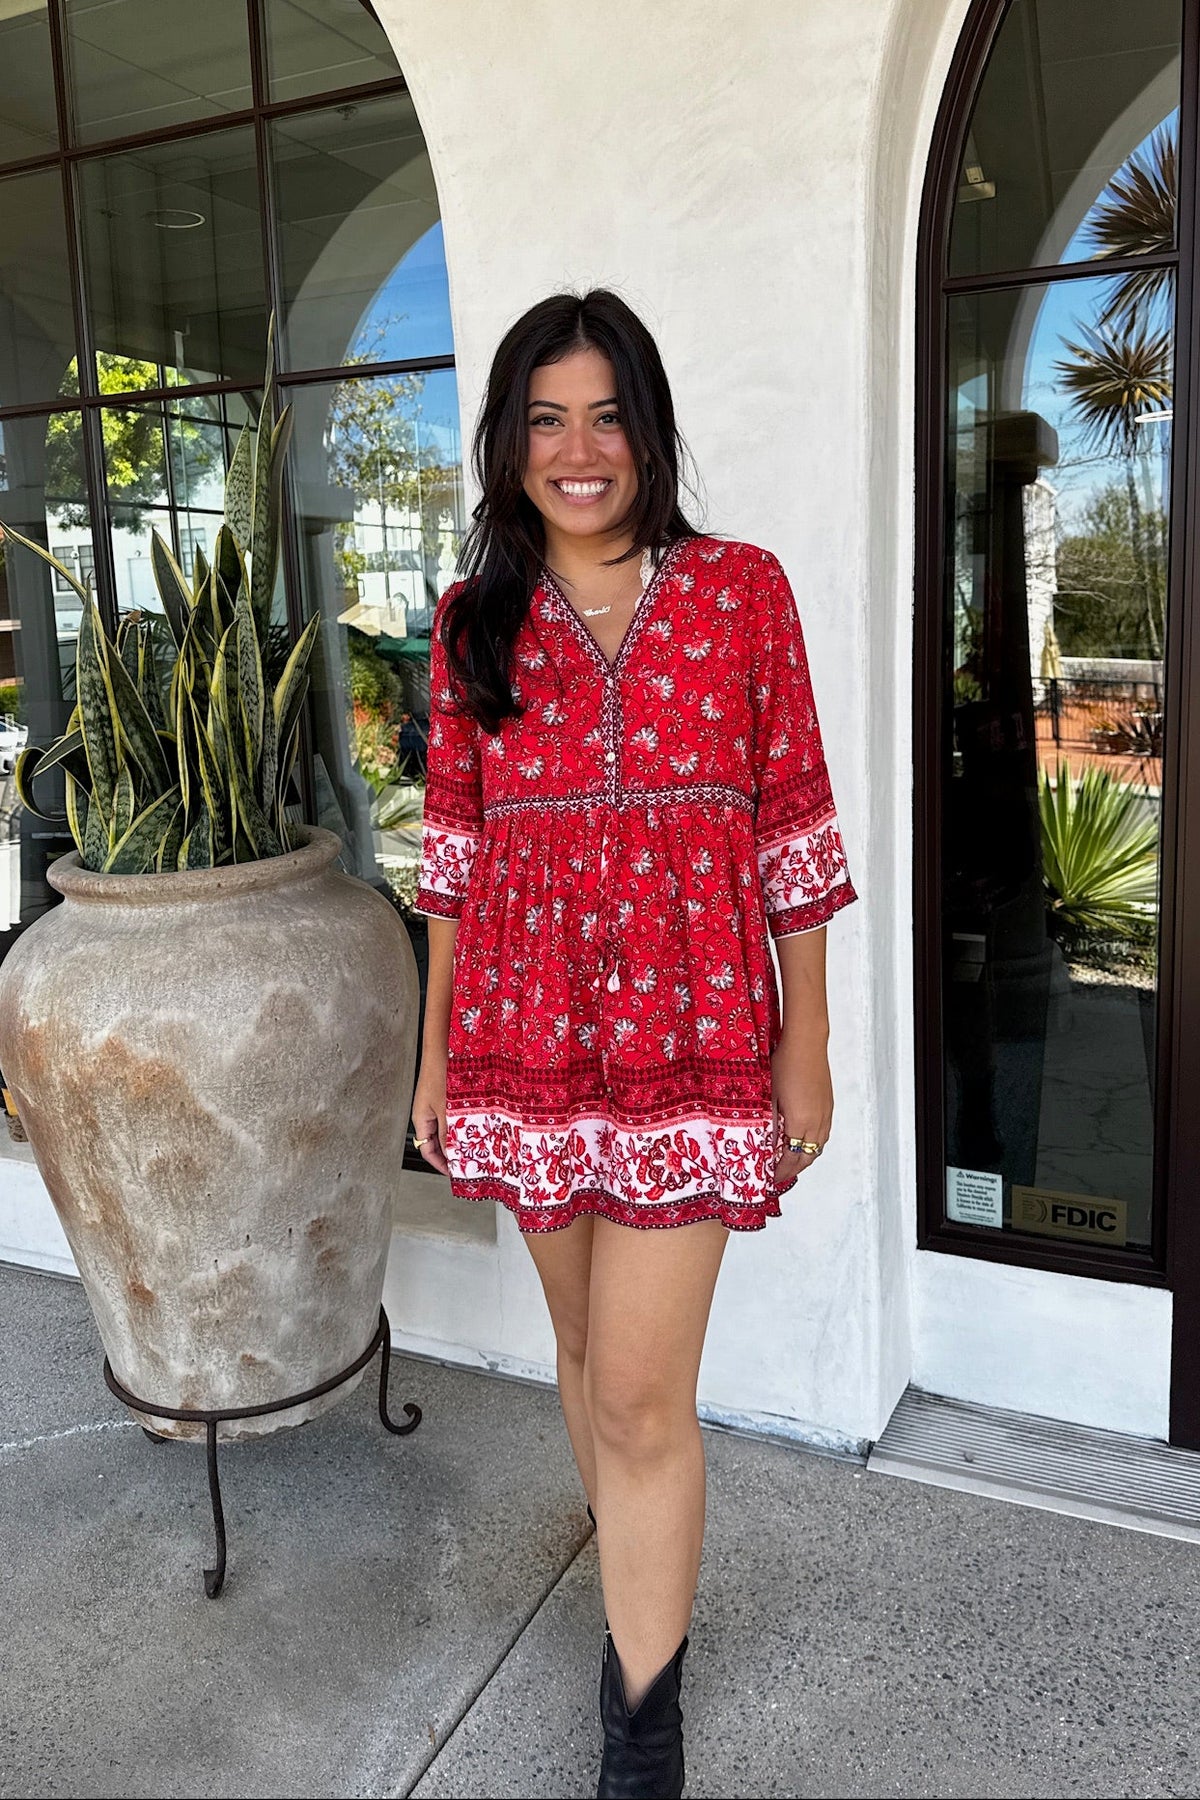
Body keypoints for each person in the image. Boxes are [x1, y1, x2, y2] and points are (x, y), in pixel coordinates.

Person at [410, 289, 858, 1800]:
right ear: (509, 443)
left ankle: (642, 1722)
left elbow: (793, 830)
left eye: (606, 414)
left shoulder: (740, 592)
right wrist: (432, 1066)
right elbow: (454, 864)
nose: (578, 449)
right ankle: (636, 1593)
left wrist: (808, 1042)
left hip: (694, 1045)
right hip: (521, 1045)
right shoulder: (474, 623)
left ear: (648, 429)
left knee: (639, 1396)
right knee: (588, 1352)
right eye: (547, 418)